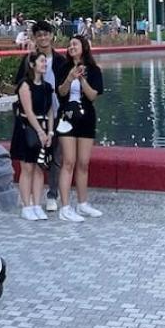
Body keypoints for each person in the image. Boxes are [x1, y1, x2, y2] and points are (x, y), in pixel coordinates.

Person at [15, 19, 70, 213]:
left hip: (55, 114)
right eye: (39, 35)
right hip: (31, 117)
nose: (43, 38)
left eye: (46, 34)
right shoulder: (28, 60)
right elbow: (20, 84)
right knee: (30, 157)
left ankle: (52, 194)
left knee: (55, 155)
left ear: (52, 36)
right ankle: (28, 196)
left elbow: (66, 89)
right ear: (35, 38)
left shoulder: (62, 61)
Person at [54, 34, 104, 221]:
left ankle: (83, 203)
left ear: (83, 47)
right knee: (69, 161)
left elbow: (92, 96)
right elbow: (61, 92)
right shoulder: (64, 67)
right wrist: (69, 77)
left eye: (74, 44)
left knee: (83, 163)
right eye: (69, 45)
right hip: (67, 117)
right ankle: (65, 207)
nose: (71, 47)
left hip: (87, 118)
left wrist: (82, 79)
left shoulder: (94, 70)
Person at [11, 52, 55, 221]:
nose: (45, 64)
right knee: (27, 168)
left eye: (45, 61)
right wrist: (40, 132)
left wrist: (50, 132)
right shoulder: (25, 85)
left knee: (39, 168)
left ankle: (37, 204)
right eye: (42, 61)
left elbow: (50, 110)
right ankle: (26, 205)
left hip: (43, 128)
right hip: (27, 129)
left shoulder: (46, 86)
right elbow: (28, 111)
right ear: (32, 64)